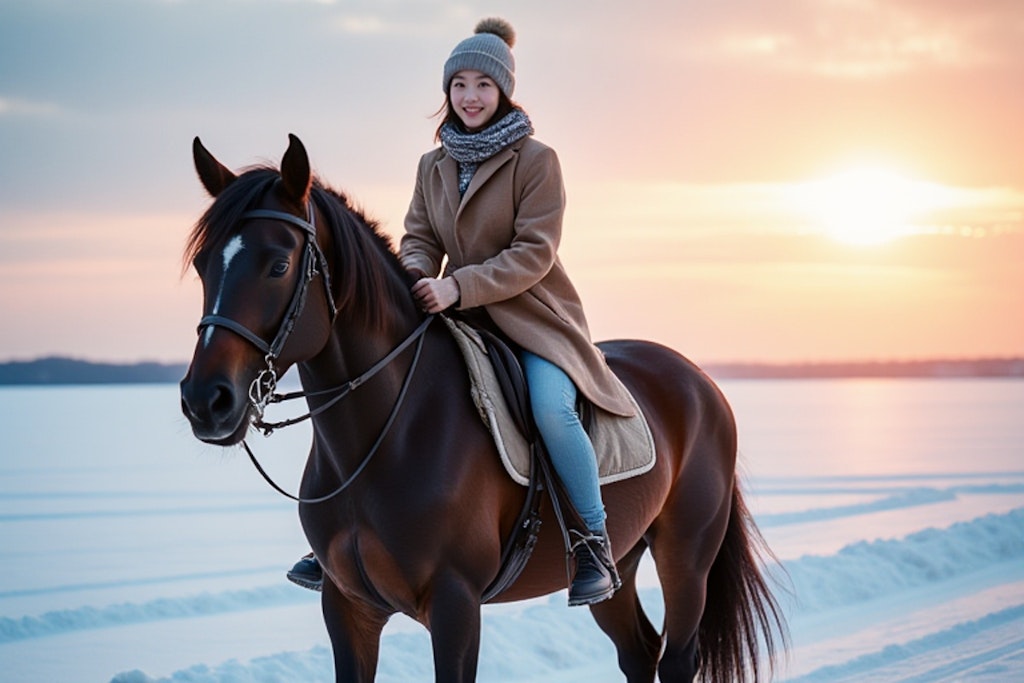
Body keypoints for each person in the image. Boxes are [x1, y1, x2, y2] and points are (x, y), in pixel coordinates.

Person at [288, 17, 636, 607]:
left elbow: (535, 251)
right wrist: (417, 275)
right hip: (454, 314)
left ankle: (592, 541)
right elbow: (419, 236)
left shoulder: (536, 160)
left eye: (482, 85)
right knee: (369, 391)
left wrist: (460, 287)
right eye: (459, 86)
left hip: (533, 319)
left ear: (503, 92)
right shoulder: (434, 165)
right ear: (446, 93)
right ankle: (341, 537)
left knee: (554, 413)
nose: (470, 96)